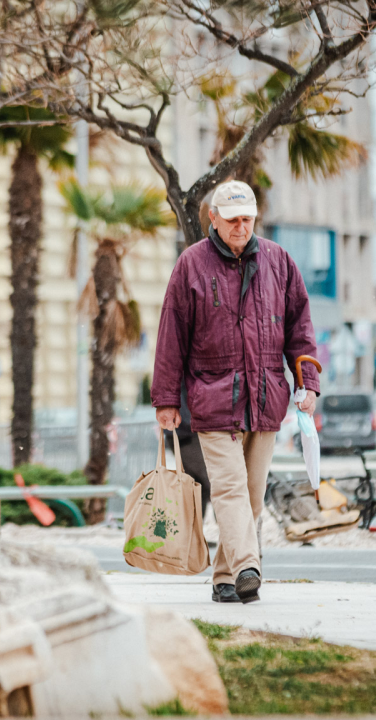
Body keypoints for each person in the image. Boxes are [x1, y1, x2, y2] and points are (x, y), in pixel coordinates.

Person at [151, 180, 318, 604]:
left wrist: (307, 383)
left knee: (252, 496)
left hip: (266, 398)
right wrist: (166, 400)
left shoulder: (280, 262)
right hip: (213, 399)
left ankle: (225, 579)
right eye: (232, 220)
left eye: (247, 219)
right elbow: (171, 335)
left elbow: (300, 329)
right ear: (213, 218)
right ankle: (248, 565)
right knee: (229, 489)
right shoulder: (191, 264)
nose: (241, 227)